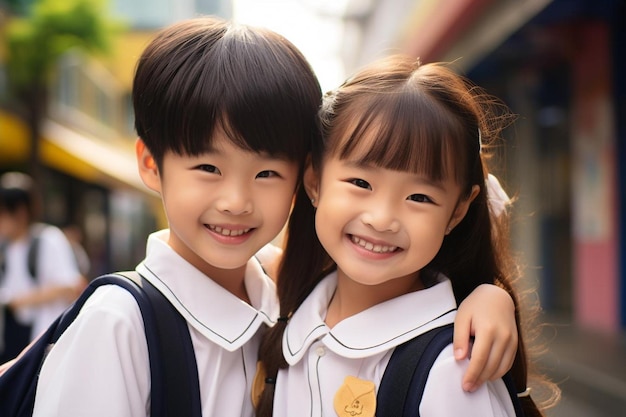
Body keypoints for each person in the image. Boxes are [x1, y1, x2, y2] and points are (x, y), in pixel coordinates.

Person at [28, 17, 518, 417]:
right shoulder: (118, 324)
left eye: (266, 172)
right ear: (151, 164)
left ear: (301, 177)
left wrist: (485, 294)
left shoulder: (283, 297)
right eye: (207, 168)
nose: (237, 201)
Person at [256, 55, 560, 416]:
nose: (382, 219)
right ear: (314, 182)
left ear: (458, 211)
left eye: (419, 197)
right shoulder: (280, 305)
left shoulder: (451, 369)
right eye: (360, 182)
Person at [0, 172, 83, 364]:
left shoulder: (48, 240)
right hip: (10, 341)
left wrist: (18, 301)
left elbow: (71, 287)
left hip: (41, 343)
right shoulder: (4, 246)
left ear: (20, 212)